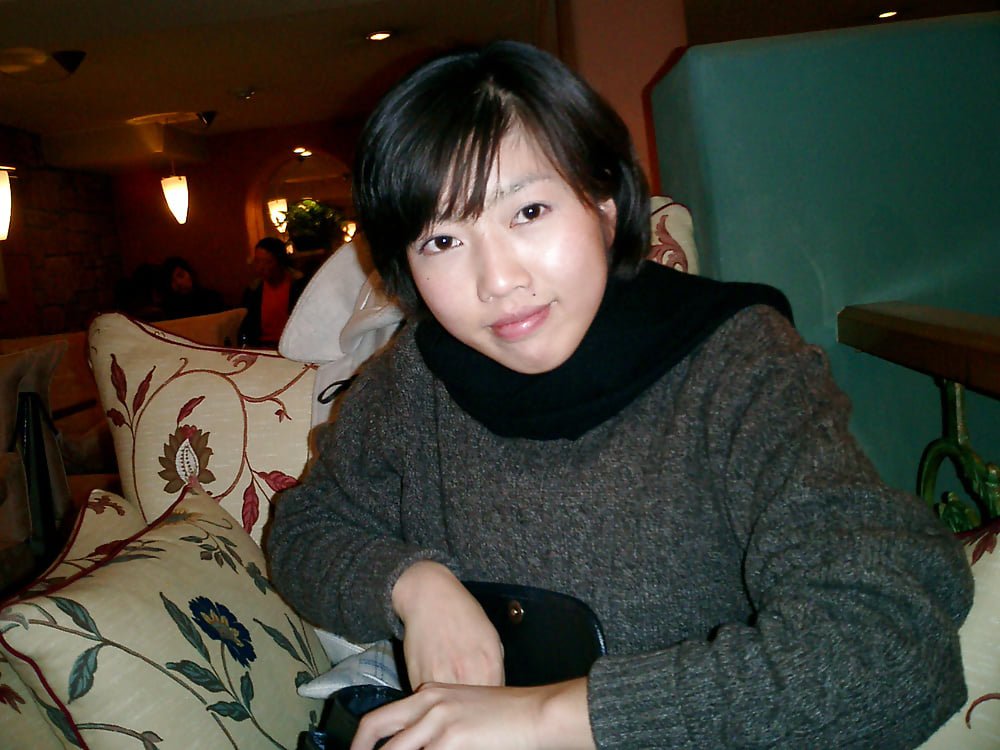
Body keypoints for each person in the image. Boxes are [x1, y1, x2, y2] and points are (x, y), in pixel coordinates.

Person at [266, 41, 972, 749]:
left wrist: (545, 719)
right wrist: (414, 587)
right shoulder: (415, 380)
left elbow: (892, 647)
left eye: (529, 211)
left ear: (603, 205)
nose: (498, 281)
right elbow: (305, 529)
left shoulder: (737, 364)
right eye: (442, 242)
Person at [240, 237, 307, 347]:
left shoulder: (299, 287)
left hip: (292, 344)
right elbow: (247, 327)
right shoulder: (254, 290)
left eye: (267, 262)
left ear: (280, 262)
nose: (261, 268)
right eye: (257, 261)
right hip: (262, 346)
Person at [159, 256, 225, 320]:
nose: (178, 283)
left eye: (181, 275)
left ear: (190, 274)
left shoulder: (211, 298)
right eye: (172, 281)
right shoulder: (170, 308)